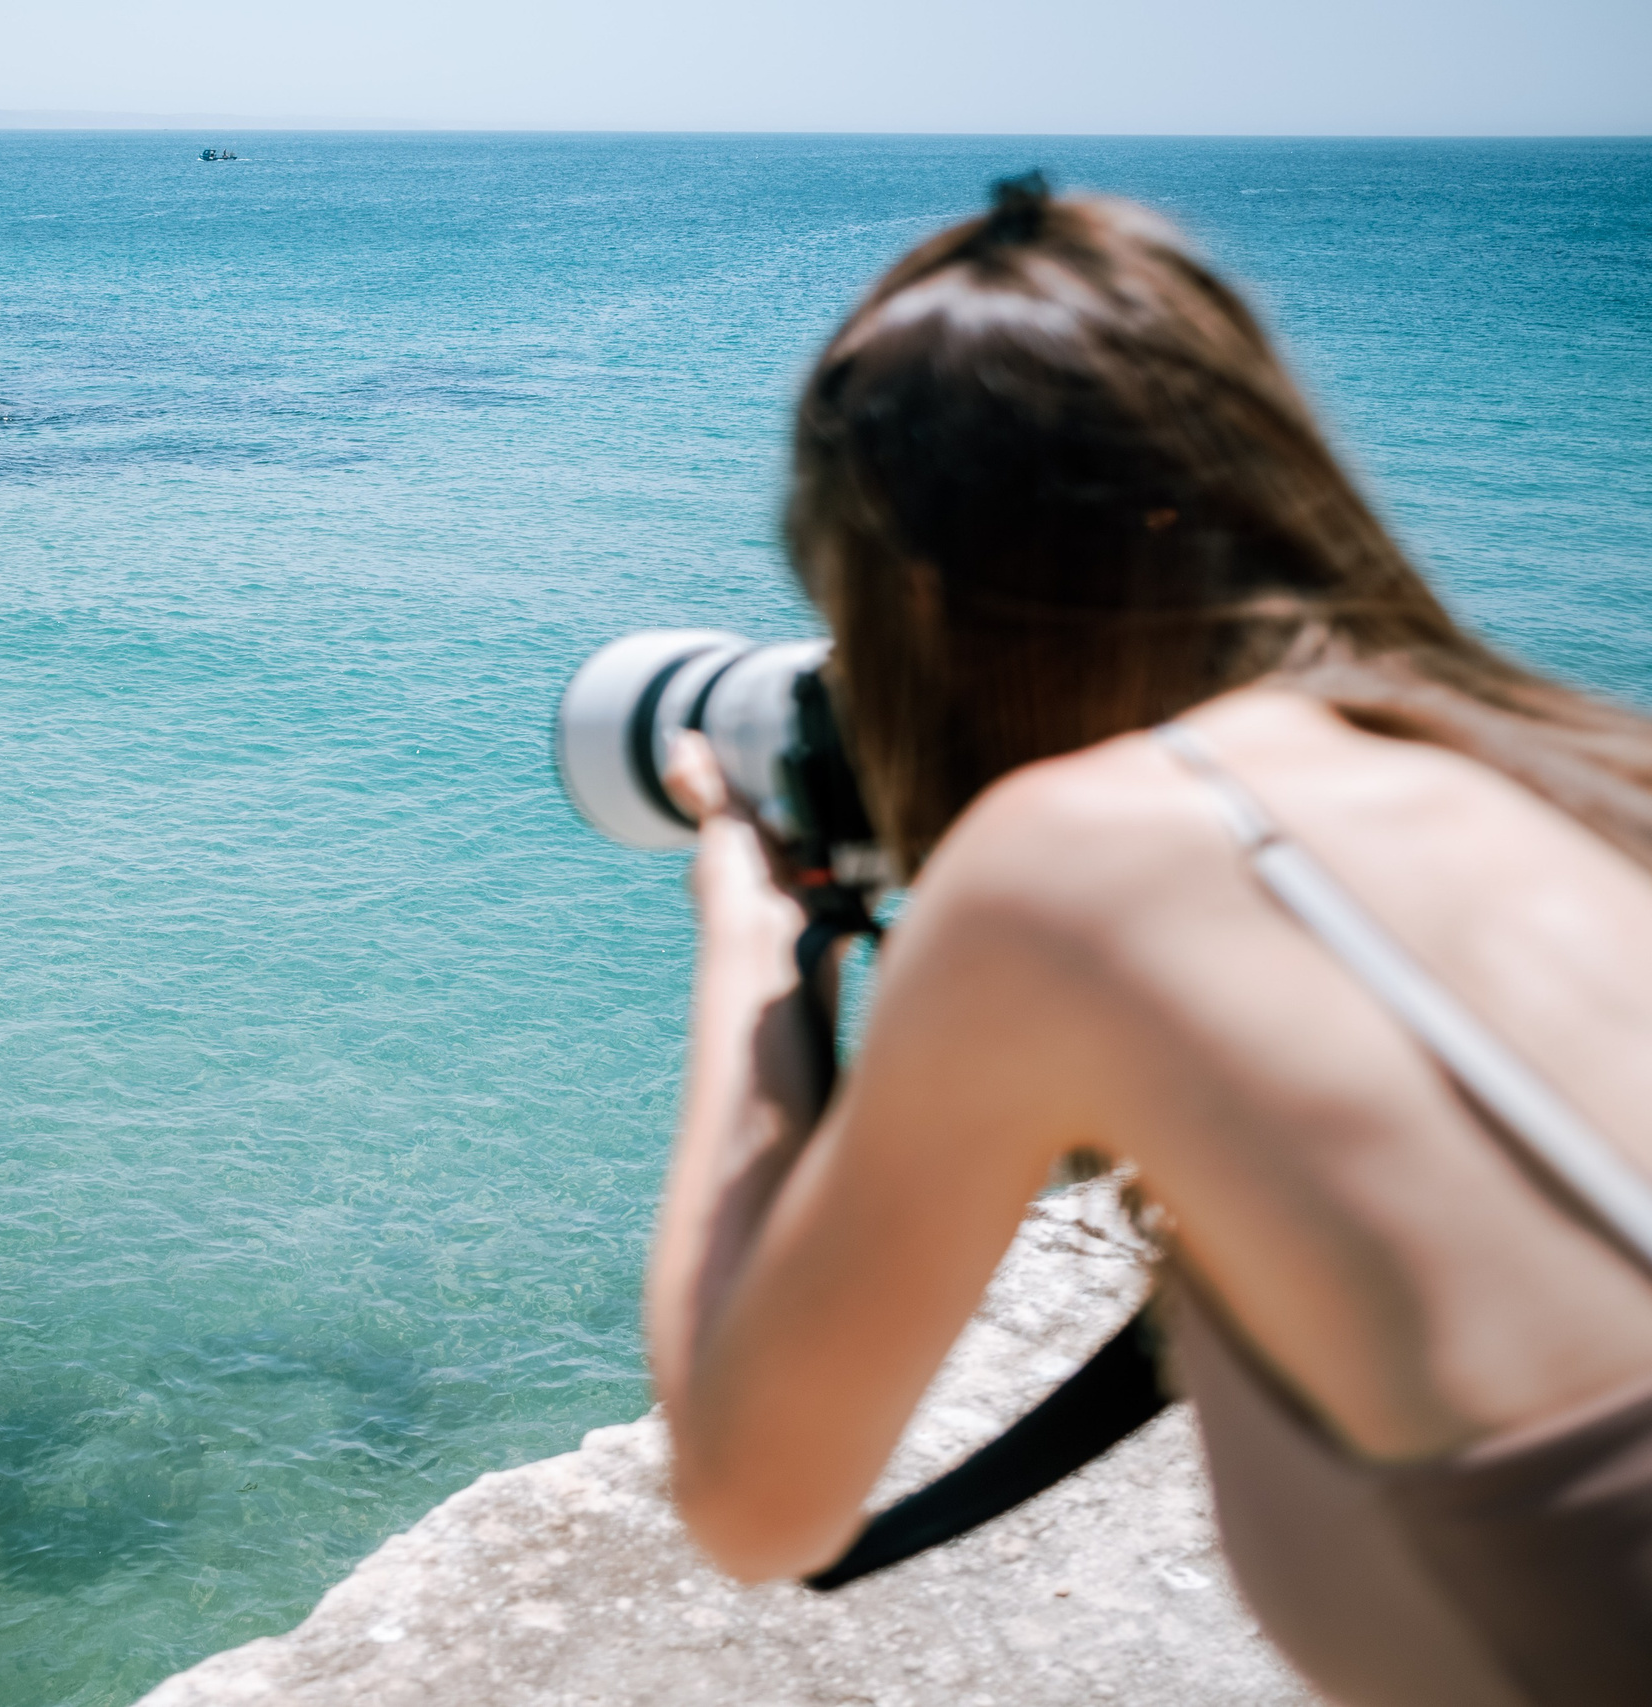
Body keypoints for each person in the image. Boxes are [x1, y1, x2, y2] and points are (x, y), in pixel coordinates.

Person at [645, 175, 1652, 1706]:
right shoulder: (1580, 773)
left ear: (916, 597)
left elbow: (754, 1498)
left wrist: (758, 944)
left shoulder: (1077, 865)